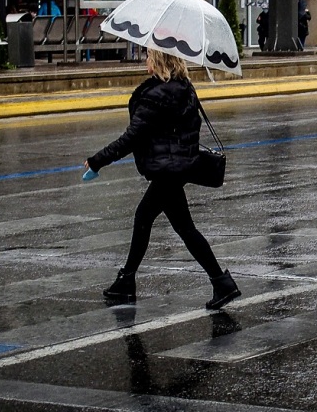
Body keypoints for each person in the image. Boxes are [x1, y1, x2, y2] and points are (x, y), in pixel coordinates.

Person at [84, 50, 240, 311]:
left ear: (158, 61)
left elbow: (131, 138)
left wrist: (98, 160)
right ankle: (127, 281)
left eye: (148, 56)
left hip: (167, 170)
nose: (144, 60)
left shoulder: (157, 96)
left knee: (172, 225)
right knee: (153, 220)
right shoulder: (183, 88)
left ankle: (221, 282)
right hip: (176, 168)